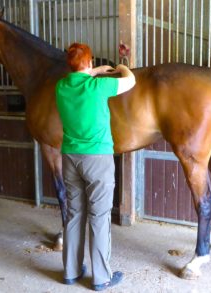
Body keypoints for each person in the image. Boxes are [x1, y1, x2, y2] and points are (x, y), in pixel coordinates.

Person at [55, 43, 136, 291]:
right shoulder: (99, 86)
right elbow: (130, 80)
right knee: (99, 217)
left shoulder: (61, 87)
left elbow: (78, 77)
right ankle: (101, 278)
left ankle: (70, 271)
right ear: (89, 63)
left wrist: (93, 70)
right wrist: (120, 66)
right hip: (98, 159)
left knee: (74, 214)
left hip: (70, 158)